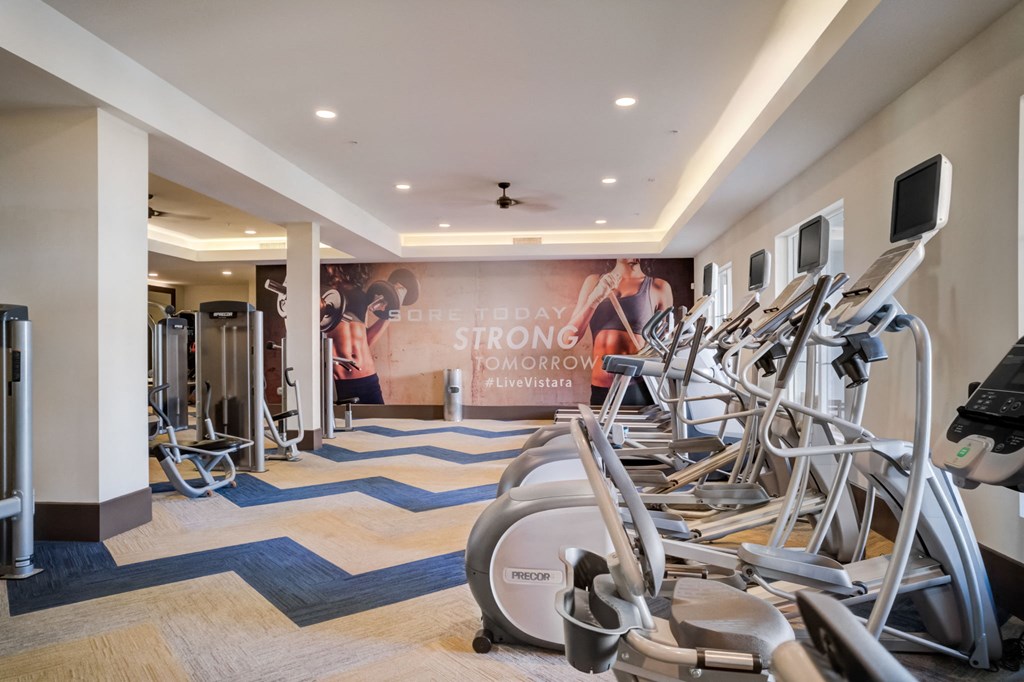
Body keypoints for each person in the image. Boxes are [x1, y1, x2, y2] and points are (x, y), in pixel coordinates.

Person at [560, 258, 673, 405]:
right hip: (600, 389)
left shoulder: (658, 286)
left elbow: (665, 347)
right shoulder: (594, 282)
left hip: (636, 387)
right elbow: (567, 339)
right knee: (599, 429)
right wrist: (593, 300)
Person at [322, 264, 391, 405]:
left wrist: (388, 315)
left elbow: (366, 340)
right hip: (342, 382)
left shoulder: (360, 294)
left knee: (380, 424)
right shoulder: (321, 294)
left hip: (369, 377)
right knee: (345, 425)